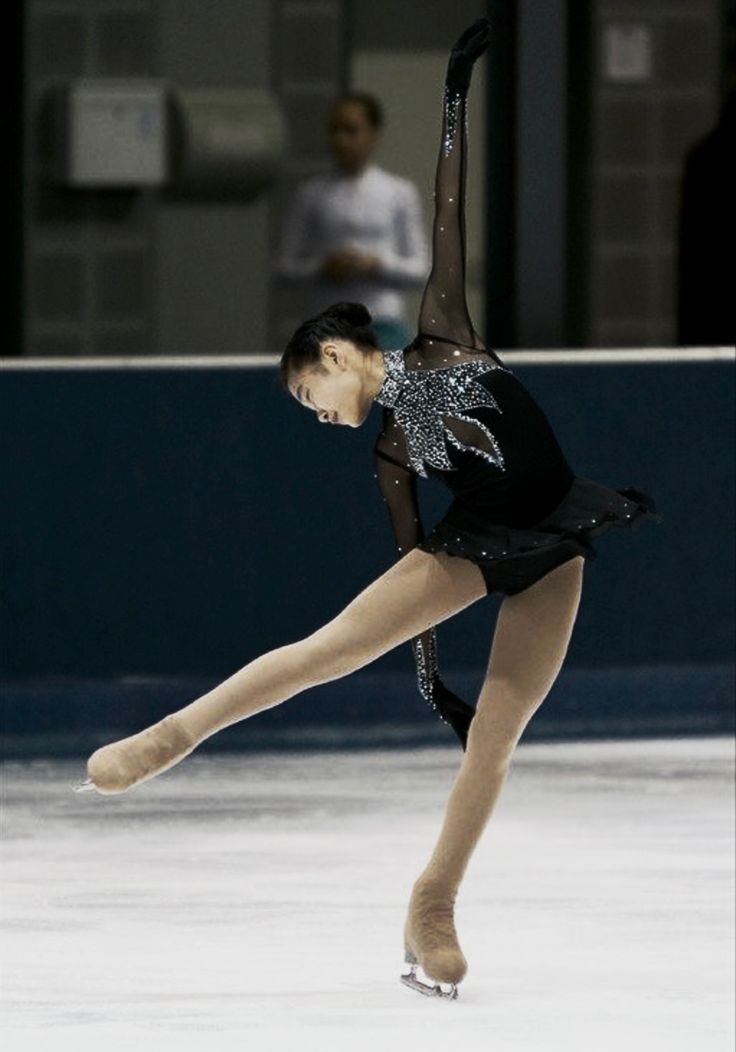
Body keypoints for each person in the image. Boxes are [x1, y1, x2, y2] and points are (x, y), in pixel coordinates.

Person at [73, 19, 661, 1001]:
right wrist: (428, 677)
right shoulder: (392, 447)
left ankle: (432, 902)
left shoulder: (442, 332)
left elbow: (448, 200)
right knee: (332, 645)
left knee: (500, 730)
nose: (320, 415)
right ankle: (173, 734)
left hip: (557, 533)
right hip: (476, 539)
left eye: (313, 395)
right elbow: (413, 548)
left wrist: (454, 92)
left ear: (337, 356)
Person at [273, 88, 429, 350]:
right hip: (327, 326)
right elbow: (283, 268)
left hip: (383, 322)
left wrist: (376, 264)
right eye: (334, 131)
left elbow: (420, 269)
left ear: (373, 135)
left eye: (350, 130)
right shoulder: (311, 194)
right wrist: (323, 268)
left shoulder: (399, 193)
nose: (340, 140)